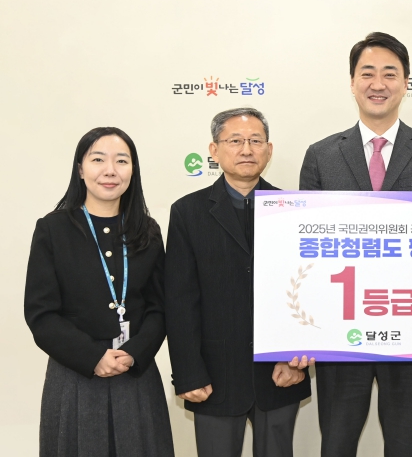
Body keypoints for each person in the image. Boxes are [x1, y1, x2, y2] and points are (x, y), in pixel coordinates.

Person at [299, 32, 412, 457]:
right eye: (367, 73)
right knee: (336, 444)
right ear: (352, 83)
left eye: (390, 73)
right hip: (339, 330)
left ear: (405, 83)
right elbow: (303, 247)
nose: (378, 83)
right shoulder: (321, 155)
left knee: (404, 444)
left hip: (409, 327)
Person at [165, 108, 312, 457]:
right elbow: (179, 300)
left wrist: (294, 358)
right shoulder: (187, 212)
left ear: (269, 150)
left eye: (255, 141)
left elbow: (310, 291)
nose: (246, 149)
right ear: (214, 151)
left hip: (279, 373)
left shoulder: (295, 210)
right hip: (212, 377)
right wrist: (188, 373)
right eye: (235, 141)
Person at [24, 127, 173, 456]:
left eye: (121, 161)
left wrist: (134, 352)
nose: (110, 170)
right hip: (75, 375)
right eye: (98, 160)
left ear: (132, 170)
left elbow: (160, 307)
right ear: (80, 169)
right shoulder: (53, 229)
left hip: (136, 373)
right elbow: (41, 314)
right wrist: (92, 357)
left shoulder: (147, 230)